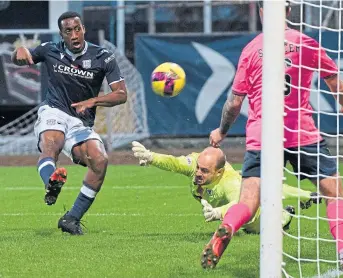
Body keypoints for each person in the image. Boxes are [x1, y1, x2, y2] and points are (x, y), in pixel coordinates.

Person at [203, 1, 343, 270]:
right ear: (289, 11)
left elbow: (234, 104)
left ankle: (227, 226)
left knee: (248, 201)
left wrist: (221, 131)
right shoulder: (306, 42)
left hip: (262, 136)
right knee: (334, 193)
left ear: (262, 12)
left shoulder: (250, 50)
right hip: (301, 132)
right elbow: (334, 83)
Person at [11, 11, 127, 235]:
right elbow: (21, 57)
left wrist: (93, 100)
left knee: (100, 160)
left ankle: (71, 218)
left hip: (81, 122)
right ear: (61, 34)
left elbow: (121, 94)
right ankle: (51, 183)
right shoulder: (49, 50)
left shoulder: (103, 57)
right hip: (54, 110)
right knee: (51, 143)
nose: (74, 35)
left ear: (83, 29)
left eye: (77, 29)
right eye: (68, 31)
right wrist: (20, 52)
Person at [131, 141, 320, 234]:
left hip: (252, 213)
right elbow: (175, 162)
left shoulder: (229, 182)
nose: (198, 173)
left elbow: (239, 204)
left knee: (259, 226)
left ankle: (288, 213)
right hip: (244, 192)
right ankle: (305, 195)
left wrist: (217, 213)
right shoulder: (197, 164)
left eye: (204, 171)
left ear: (219, 172)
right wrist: (150, 157)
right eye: (198, 168)